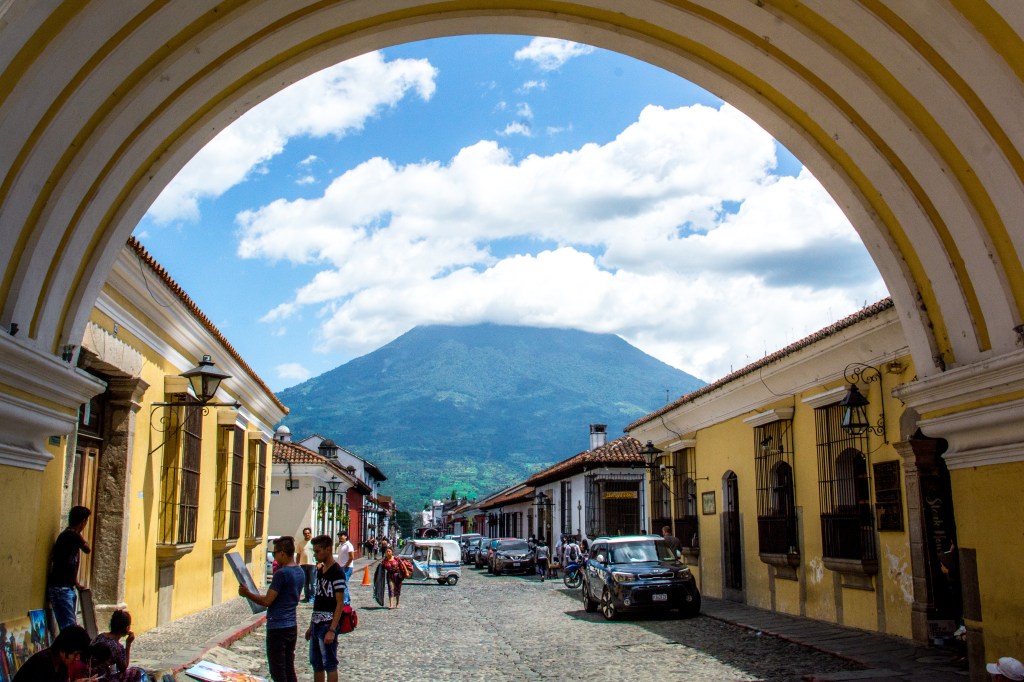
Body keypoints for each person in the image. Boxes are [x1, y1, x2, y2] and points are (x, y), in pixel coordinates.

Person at [240, 536, 303, 682]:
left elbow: (267, 600)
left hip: (278, 626)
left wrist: (247, 593)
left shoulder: (281, 574)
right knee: (289, 666)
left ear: (282, 553)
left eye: (274, 553)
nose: (274, 557)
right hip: (291, 625)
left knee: (277, 669)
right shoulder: (299, 571)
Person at [305, 535, 346, 682]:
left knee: (329, 663)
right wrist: (311, 625)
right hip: (317, 623)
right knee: (316, 664)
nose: (315, 555)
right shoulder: (321, 571)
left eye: (318, 551)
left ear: (328, 549)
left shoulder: (337, 572)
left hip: (328, 623)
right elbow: (318, 601)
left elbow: (340, 603)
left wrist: (332, 629)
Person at [48, 506, 93, 631]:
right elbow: (87, 549)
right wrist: (78, 533)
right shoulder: (72, 535)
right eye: (85, 522)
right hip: (61, 589)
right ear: (83, 521)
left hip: (65, 587)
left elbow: (67, 564)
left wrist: (76, 583)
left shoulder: (67, 537)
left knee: (67, 626)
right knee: (69, 629)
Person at [13, 624, 91, 682]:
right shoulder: (42, 664)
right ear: (62, 651)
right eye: (75, 654)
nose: (78, 658)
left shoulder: (62, 664)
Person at [92, 609, 145, 682]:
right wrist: (128, 644)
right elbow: (123, 668)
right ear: (127, 628)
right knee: (136, 672)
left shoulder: (100, 636)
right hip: (100, 678)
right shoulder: (118, 647)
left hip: (89, 673)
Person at [334, 531, 355, 606]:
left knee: (343, 584)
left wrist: (346, 565)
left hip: (347, 568)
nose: (339, 537)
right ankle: (347, 600)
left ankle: (346, 601)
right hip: (340, 567)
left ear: (346, 536)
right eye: (339, 536)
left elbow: (352, 557)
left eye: (341, 536)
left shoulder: (348, 545)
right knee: (342, 584)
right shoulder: (340, 545)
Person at [296, 527, 316, 603]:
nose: (307, 535)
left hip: (312, 564)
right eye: (305, 533)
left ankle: (312, 598)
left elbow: (318, 553)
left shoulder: (313, 543)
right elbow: (298, 554)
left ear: (310, 533)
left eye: (308, 533)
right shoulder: (300, 543)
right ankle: (306, 597)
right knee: (305, 583)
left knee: (313, 583)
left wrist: (318, 563)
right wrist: (297, 564)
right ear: (303, 534)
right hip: (303, 565)